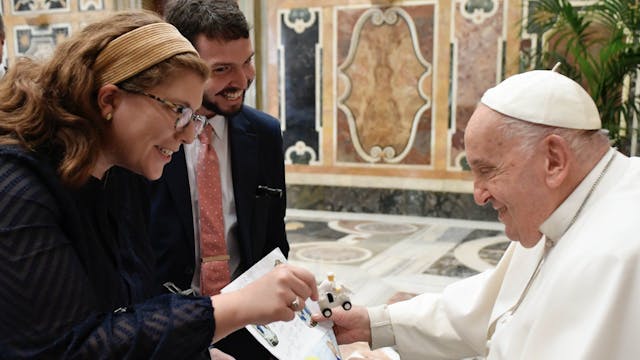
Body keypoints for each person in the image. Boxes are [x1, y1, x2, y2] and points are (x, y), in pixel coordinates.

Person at [0, 10, 317, 359]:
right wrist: (233, 307)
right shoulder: (16, 188)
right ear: (109, 100)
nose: (188, 136)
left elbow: (129, 309)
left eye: (195, 117)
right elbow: (67, 346)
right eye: (178, 111)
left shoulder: (115, 173)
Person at [314, 69, 640, 359]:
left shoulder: (622, 253)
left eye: (487, 171)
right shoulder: (563, 208)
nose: (479, 194)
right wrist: (371, 324)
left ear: (553, 160)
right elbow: (484, 312)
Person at [149, 0, 288, 358]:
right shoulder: (149, 139)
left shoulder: (265, 133)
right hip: (163, 326)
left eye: (247, 62)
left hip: (248, 325)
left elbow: (273, 241)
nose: (241, 81)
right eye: (223, 69)